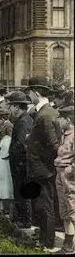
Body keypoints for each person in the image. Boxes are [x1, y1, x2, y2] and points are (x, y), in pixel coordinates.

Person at [25, 76, 60, 249]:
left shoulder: (45, 115)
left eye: (30, 92)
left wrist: (48, 166)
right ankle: (43, 236)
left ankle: (47, 242)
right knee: (40, 204)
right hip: (40, 168)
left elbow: (54, 145)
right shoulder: (45, 112)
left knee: (45, 205)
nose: (29, 96)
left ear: (36, 93)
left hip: (43, 169)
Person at [8, 91, 34, 229]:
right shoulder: (25, 119)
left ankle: (26, 221)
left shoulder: (23, 121)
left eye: (11, 106)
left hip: (21, 163)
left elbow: (21, 144)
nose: (9, 109)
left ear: (17, 106)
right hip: (21, 162)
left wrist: (16, 161)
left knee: (21, 192)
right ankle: (23, 218)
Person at [54, 105, 75, 254]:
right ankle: (68, 244)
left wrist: (69, 170)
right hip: (60, 174)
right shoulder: (64, 134)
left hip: (69, 176)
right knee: (65, 210)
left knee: (73, 208)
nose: (58, 120)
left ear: (67, 119)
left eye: (60, 118)